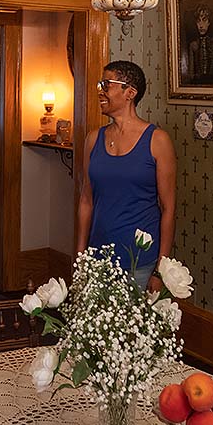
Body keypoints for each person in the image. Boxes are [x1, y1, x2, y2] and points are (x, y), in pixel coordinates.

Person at [77, 60, 177, 291]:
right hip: (97, 258)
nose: (100, 91)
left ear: (130, 92)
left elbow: (168, 208)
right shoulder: (93, 139)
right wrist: (81, 258)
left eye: (107, 84)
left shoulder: (157, 140)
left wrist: (160, 270)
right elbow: (86, 200)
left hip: (139, 261)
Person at [183, 6, 213, 85]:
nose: (201, 25)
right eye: (198, 21)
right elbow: (191, 73)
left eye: (204, 20)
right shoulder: (193, 45)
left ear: (209, 22)